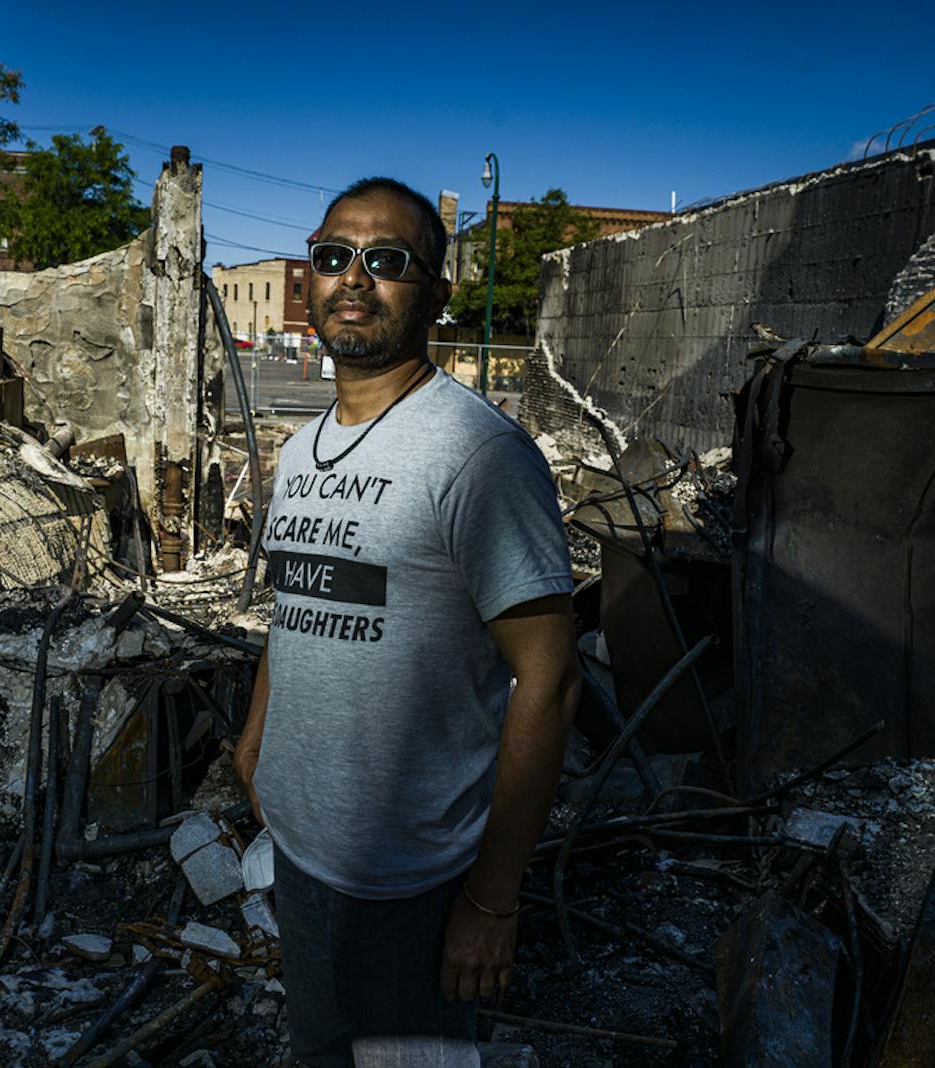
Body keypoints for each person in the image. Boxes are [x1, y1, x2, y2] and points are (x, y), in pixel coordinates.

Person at [234, 177, 581, 1068]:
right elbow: (298, 599)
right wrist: (256, 739)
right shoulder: (304, 446)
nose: (354, 278)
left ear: (435, 292)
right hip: (304, 850)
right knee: (318, 1049)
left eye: (387, 261)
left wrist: (493, 900)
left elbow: (550, 677)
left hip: (414, 880)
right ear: (307, 278)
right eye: (332, 256)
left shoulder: (479, 455)